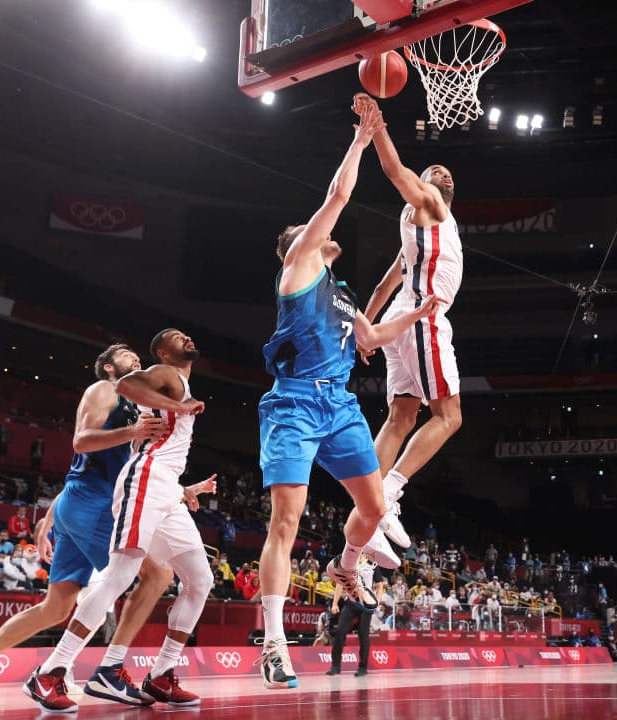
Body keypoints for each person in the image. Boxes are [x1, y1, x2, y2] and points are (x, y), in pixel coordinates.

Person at [256, 101, 442, 692]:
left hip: (338, 406)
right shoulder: (298, 266)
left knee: (375, 509)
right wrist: (363, 140)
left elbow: (373, 336)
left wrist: (418, 312)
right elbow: (337, 196)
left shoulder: (338, 293)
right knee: (284, 523)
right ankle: (275, 643)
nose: (327, 234)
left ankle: (346, 567)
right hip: (293, 405)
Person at [0, 344, 174, 710]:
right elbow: (81, 442)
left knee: (55, 609)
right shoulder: (105, 390)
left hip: (81, 502)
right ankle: (102, 670)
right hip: (94, 506)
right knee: (157, 574)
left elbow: (85, 468)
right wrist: (133, 431)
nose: (135, 357)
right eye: (125, 355)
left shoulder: (131, 405)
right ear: (108, 367)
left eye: (136, 355)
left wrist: (51, 515)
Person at [25, 331, 215, 712]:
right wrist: (180, 406)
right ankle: (51, 670)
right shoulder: (167, 373)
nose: (187, 337)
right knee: (121, 574)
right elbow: (127, 384)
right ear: (162, 352)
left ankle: (161, 674)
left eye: (187, 334)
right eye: (177, 337)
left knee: (201, 580)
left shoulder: (180, 381)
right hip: (144, 477)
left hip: (166, 485)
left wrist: (183, 489)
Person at [353, 93, 463, 556]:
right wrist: (378, 127)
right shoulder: (430, 207)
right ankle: (390, 492)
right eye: (432, 173)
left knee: (400, 416)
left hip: (400, 322)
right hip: (423, 320)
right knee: (450, 417)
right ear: (425, 188)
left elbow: (385, 282)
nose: (440, 173)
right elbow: (395, 172)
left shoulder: (420, 232)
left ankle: (369, 514)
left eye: (446, 172)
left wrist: (371, 330)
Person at [326, 560, 375, 677]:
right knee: (340, 631)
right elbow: (340, 583)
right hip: (351, 601)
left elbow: (379, 584)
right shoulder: (349, 563)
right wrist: (335, 603)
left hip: (366, 602)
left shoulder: (372, 564)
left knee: (363, 634)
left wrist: (375, 602)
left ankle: (363, 668)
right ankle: (335, 666)